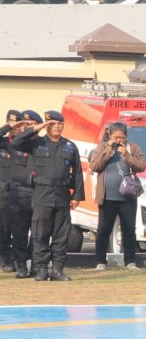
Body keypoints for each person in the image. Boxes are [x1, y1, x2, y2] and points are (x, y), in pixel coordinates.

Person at [12, 111, 84, 281]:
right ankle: (41, 269)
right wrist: (36, 128)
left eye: (60, 124)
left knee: (61, 234)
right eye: (53, 124)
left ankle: (57, 269)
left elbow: (78, 172)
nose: (57, 126)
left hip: (62, 194)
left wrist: (77, 196)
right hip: (42, 193)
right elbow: (16, 142)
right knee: (40, 233)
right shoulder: (37, 143)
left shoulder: (69, 146)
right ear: (46, 125)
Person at [88, 122, 146, 271]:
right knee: (103, 230)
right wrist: (108, 150)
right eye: (116, 137)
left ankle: (130, 261)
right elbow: (94, 166)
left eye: (122, 137)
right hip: (107, 197)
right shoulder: (101, 148)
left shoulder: (132, 148)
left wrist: (126, 156)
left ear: (126, 136)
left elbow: (141, 166)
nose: (119, 140)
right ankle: (100, 261)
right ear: (109, 135)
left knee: (129, 230)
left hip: (128, 198)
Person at [2, 110, 40, 278]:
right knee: (19, 231)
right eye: (23, 125)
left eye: (30, 125)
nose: (26, 127)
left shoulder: (41, 143)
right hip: (18, 193)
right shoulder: (12, 143)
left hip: (38, 192)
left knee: (39, 231)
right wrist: (9, 126)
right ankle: (20, 264)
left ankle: (35, 263)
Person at [0, 110, 22, 273]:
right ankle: (5, 259)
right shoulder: (3, 142)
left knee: (19, 228)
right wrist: (7, 127)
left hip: (21, 192)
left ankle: (19, 259)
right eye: (13, 124)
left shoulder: (23, 143)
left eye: (18, 124)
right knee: (4, 229)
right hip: (4, 192)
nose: (16, 128)